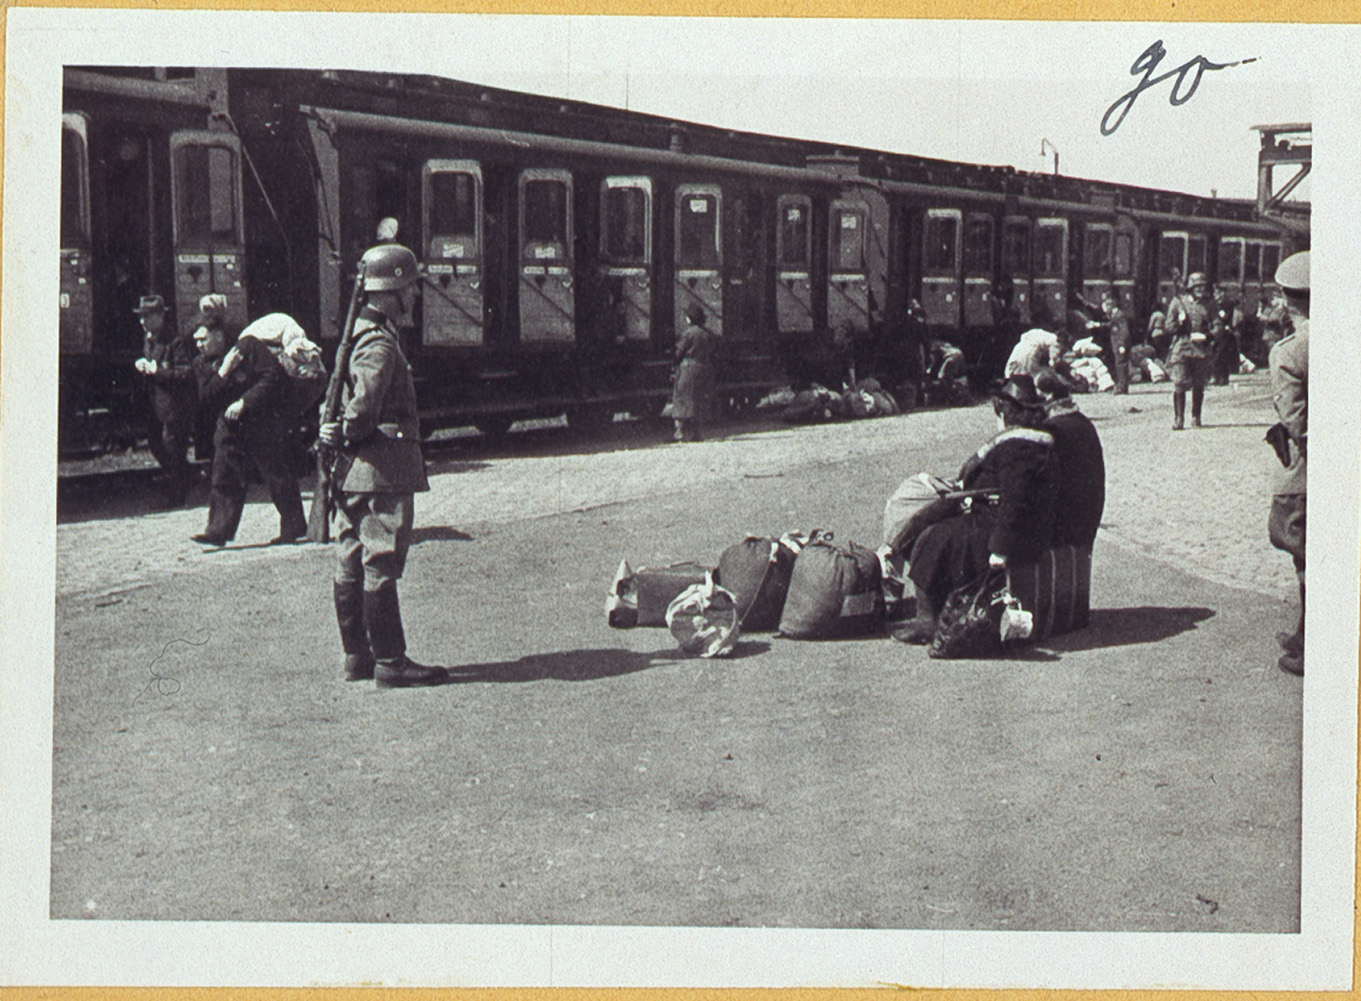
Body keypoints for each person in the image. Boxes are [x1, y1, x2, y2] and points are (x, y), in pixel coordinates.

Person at [318, 243, 445, 688]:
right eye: (410, 287)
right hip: (381, 466)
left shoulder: (359, 335)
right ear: (392, 290)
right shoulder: (379, 343)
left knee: (350, 555)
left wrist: (337, 433)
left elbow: (336, 402)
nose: (413, 296)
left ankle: (358, 657)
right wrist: (347, 431)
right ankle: (390, 661)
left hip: (354, 470)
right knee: (379, 559)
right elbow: (363, 407)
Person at [891, 374, 1061, 644]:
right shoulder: (1037, 442)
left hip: (999, 529)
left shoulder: (1017, 446)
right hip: (1006, 522)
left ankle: (927, 621)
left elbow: (1015, 499)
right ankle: (938, 611)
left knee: (932, 539)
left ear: (1005, 413)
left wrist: (1000, 548)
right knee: (939, 532)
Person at [190, 311, 306, 549]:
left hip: (262, 419)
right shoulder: (201, 363)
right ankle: (217, 531)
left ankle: (294, 525)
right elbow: (205, 397)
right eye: (196, 341)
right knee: (223, 472)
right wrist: (223, 372)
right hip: (230, 425)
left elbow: (272, 377)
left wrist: (245, 402)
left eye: (203, 339)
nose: (199, 345)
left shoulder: (248, 346)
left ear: (219, 334)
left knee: (276, 473)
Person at [1266, 251, 1308, 677]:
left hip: (1303, 472)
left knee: (1299, 547)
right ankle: (1303, 633)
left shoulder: (1291, 351)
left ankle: (1309, 641)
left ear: (1288, 300)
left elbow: (1297, 423)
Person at [132, 294, 196, 506]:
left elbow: (185, 373)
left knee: (172, 449)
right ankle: (184, 479)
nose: (142, 322)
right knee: (155, 445)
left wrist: (156, 371)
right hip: (156, 406)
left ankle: (177, 496)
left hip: (173, 407)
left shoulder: (175, 341)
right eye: (141, 317)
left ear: (160, 317)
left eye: (147, 317)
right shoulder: (149, 339)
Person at [1034, 368, 1105, 549]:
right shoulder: (1083, 422)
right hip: (1089, 515)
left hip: (1063, 524)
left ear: (1048, 397)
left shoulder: (1052, 429)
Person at [1163, 271, 1216, 430]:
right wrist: (1179, 324)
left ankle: (1196, 417)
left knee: (1198, 384)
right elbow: (1168, 327)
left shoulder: (1210, 304)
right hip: (1182, 347)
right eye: (1197, 286)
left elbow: (1218, 325)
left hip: (1201, 349)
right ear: (1190, 287)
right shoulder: (1178, 302)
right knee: (1179, 383)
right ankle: (1179, 419)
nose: (1200, 289)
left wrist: (1207, 336)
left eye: (1203, 286)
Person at [671, 303, 719, 442]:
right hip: (703, 369)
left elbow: (679, 353)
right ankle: (697, 434)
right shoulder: (707, 334)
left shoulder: (688, 334)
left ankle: (680, 432)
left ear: (690, 319)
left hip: (687, 369)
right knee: (697, 400)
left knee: (681, 399)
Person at [1003, 307, 1062, 378]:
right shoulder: (1046, 335)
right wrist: (1054, 365)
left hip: (1012, 366)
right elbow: (1054, 349)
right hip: (1027, 365)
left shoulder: (1028, 336)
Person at [1210, 285, 1243, 386]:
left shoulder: (1227, 304)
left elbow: (1224, 317)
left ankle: (1223, 378)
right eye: (1216, 293)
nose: (1217, 295)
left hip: (1225, 333)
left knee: (1222, 355)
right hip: (1216, 332)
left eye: (1219, 293)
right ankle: (1217, 377)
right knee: (1216, 355)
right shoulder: (1214, 303)